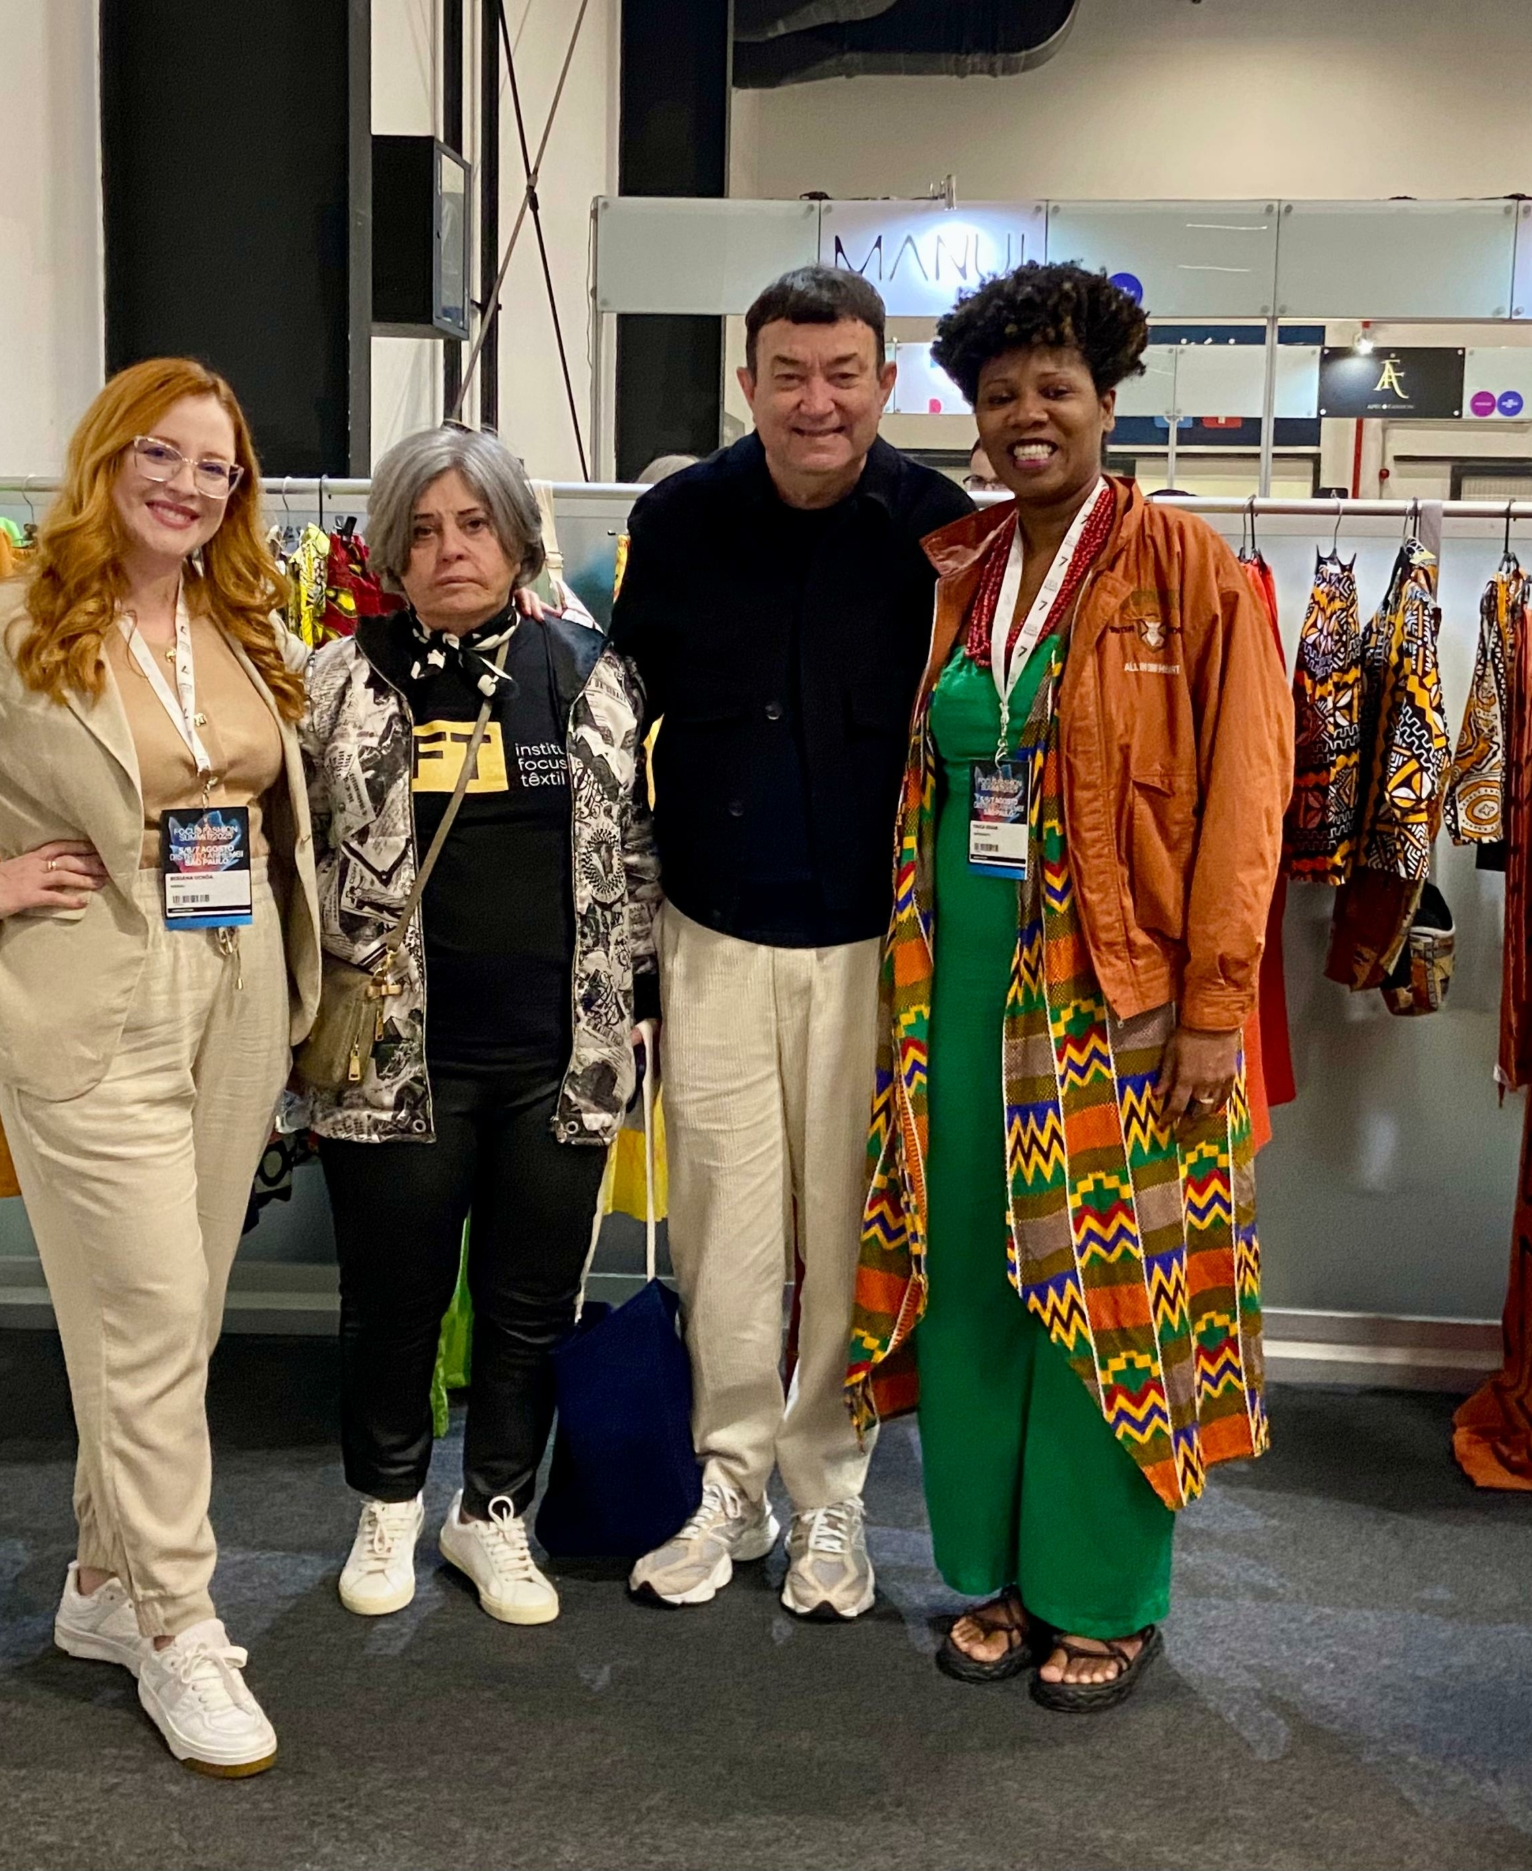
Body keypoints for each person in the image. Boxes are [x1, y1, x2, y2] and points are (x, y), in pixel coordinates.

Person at [0, 357, 320, 1775]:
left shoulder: (237, 617)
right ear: (106, 458)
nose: (188, 485)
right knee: (148, 1315)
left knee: (176, 1318)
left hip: (235, 982)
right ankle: (181, 1619)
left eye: (216, 466)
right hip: (89, 990)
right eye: (162, 453)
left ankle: (101, 1581)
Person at [844, 263, 1288, 1711]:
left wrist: (1214, 1010)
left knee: (1108, 1295)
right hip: (955, 988)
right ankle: (999, 1573)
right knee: (974, 1280)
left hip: (1116, 994)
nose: (1026, 414)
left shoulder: (1189, 570)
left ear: (1105, 402)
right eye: (999, 394)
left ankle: (1102, 1593)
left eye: (1054, 388)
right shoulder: (962, 570)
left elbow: (1247, 805)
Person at [610, 266, 972, 1617]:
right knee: (723, 1223)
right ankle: (730, 1479)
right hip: (710, 928)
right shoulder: (677, 521)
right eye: (788, 374)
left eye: (843, 373)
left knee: (847, 1223)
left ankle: (829, 1491)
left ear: (886, 380)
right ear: (747, 383)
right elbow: (618, 726)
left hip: (876, 941)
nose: (817, 401)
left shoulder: (944, 532)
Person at [305, 425, 658, 1628]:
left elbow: (636, 850)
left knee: (530, 1303)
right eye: (421, 528)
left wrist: (641, 999)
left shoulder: (593, 672)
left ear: (516, 538)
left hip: (560, 1056)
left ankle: (494, 1506)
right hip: (394, 1061)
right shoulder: (337, 682)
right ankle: (388, 1499)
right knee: (391, 1299)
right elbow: (290, 852)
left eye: (472, 524)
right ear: (387, 549)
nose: (449, 549)